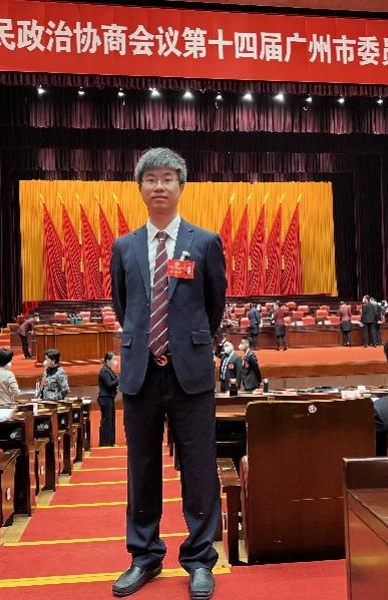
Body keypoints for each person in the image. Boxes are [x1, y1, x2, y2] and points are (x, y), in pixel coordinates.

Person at [110, 147, 226, 599]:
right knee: (141, 467)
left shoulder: (205, 242)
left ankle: (199, 559)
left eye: (167, 178)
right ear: (140, 188)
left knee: (199, 469)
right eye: (151, 179)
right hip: (140, 372)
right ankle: (144, 556)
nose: (159, 186)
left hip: (189, 373)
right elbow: (124, 306)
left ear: (181, 186)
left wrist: (186, 343)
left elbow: (214, 306)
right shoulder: (124, 246)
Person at [97, 352, 119, 447]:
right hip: (105, 398)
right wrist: (119, 379)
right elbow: (109, 384)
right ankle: (105, 443)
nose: (115, 361)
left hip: (109, 398)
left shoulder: (109, 370)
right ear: (108, 360)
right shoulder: (104, 371)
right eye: (114, 359)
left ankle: (111, 442)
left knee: (111, 420)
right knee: (106, 421)